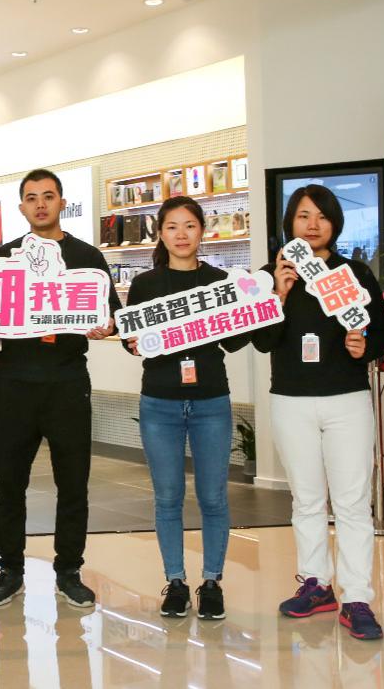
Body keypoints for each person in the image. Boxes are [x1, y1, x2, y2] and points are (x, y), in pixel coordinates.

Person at [251, 185, 384, 640]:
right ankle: (315, 584)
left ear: (335, 223)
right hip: (291, 400)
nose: (313, 225)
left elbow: (382, 331)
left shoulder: (355, 273)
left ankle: (357, 597)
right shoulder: (272, 274)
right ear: (289, 223)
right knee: (307, 499)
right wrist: (279, 294)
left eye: (322, 216)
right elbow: (262, 341)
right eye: (303, 216)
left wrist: (365, 346)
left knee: (352, 502)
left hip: (346, 399)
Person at [0, 169, 120, 609]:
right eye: (31, 197)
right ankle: (10, 569)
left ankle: (69, 570)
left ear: (62, 201)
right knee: (9, 483)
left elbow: (112, 314)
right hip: (15, 382)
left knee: (73, 483)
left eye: (48, 196)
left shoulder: (87, 256)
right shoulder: (5, 256)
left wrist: (106, 325)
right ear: (21, 207)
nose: (40, 204)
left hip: (67, 381)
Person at [121, 196, 249, 621]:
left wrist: (249, 311)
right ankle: (175, 582)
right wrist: (132, 342)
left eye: (189, 225)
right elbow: (132, 341)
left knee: (213, 497)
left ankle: (212, 583)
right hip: (160, 402)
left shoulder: (219, 281)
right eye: (172, 226)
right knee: (168, 498)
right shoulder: (145, 284)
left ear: (202, 231)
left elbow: (234, 341)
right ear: (160, 233)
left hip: (211, 400)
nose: (181, 234)